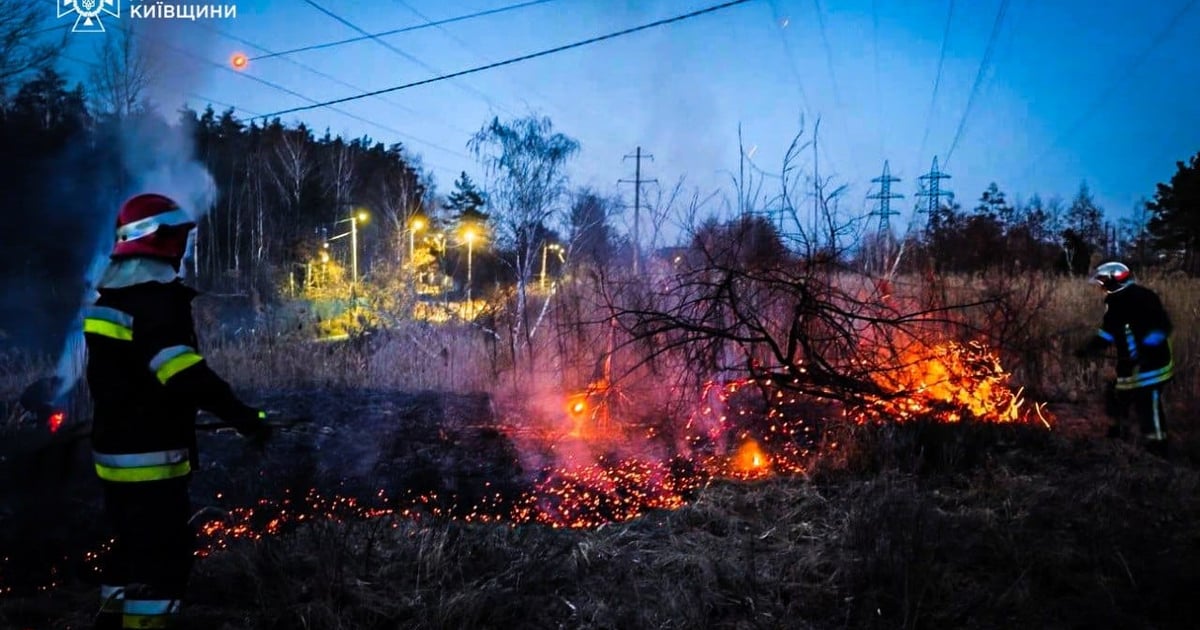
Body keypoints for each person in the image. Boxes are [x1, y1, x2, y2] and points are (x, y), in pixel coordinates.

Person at [82, 193, 271, 629]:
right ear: (157, 239)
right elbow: (183, 374)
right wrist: (243, 417)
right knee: (161, 557)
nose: (183, 246)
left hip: (112, 453)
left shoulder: (109, 299)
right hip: (151, 457)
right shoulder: (154, 302)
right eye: (178, 236)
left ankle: (110, 620)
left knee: (127, 545)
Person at [1074, 261, 1174, 458]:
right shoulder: (1115, 303)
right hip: (1130, 364)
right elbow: (1107, 334)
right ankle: (1119, 435)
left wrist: (1147, 351)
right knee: (1118, 395)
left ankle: (1158, 448)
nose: (1101, 286)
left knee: (1147, 402)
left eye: (1103, 281)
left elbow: (1162, 327)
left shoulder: (1144, 298)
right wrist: (1089, 349)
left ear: (1115, 280)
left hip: (1153, 365)